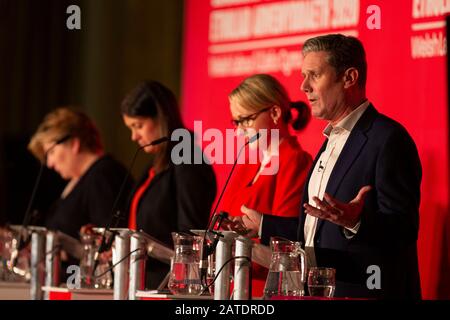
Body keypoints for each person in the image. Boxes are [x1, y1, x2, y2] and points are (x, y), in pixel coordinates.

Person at [238, 34, 422, 299]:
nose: (303, 86)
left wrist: (357, 221)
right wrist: (264, 224)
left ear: (349, 78)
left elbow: (404, 231)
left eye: (314, 75)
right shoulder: (330, 141)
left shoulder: (388, 139)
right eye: (303, 75)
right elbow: (316, 231)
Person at [219, 74, 313, 296]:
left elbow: (285, 244)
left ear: (274, 113)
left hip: (267, 291)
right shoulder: (249, 164)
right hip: (233, 286)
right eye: (236, 122)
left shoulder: (295, 161)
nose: (239, 131)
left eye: (246, 120)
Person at [121, 80, 217, 289]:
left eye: (138, 126)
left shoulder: (188, 159)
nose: (134, 136)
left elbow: (190, 234)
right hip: (142, 282)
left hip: (168, 285)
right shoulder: (155, 164)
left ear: (161, 117)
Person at [28, 107, 133, 240]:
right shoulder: (80, 179)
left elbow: (108, 243)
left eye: (51, 152)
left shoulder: (103, 175)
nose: (49, 163)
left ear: (74, 144)